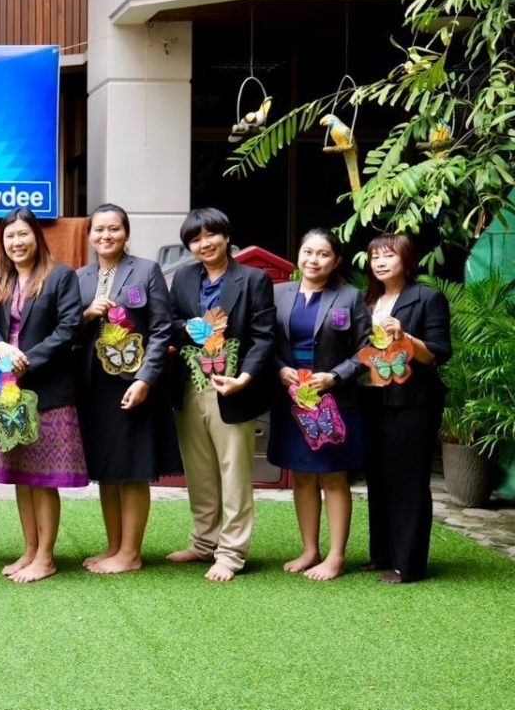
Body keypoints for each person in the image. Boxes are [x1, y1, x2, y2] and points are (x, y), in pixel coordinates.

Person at [166, 207, 274, 582]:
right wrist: (190, 327)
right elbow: (169, 324)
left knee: (234, 472)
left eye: (211, 235)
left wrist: (244, 378)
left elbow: (264, 337)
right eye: (195, 239)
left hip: (233, 387)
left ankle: (231, 552)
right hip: (190, 384)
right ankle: (203, 542)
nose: (204, 244)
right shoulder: (182, 278)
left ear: (226, 236)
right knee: (199, 471)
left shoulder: (253, 279)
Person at [74, 203, 181, 575]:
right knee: (107, 468)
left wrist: (145, 379)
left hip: (133, 384)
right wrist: (86, 314)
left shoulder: (146, 270)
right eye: (99, 230)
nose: (106, 236)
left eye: (114, 229)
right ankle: (114, 546)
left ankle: (131, 553)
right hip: (94, 387)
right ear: (89, 236)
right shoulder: (79, 278)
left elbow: (162, 329)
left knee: (133, 468)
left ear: (126, 233)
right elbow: (69, 331)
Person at [0, 208, 85, 583]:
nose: (17, 242)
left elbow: (69, 327)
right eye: (10, 237)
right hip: (8, 389)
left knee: (42, 477)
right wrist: (1, 348)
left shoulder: (60, 276)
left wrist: (29, 359)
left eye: (23, 235)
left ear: (36, 237)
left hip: (49, 390)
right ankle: (28, 549)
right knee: (21, 475)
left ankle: (46, 556)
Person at [267, 229, 370, 581]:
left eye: (323, 254)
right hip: (293, 399)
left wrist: (335, 377)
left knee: (333, 475)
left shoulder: (350, 298)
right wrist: (281, 371)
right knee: (302, 475)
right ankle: (310, 549)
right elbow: (264, 342)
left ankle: (336, 555)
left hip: (335, 401)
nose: (314, 260)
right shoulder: (278, 293)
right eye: (307, 251)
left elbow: (365, 351)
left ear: (336, 260)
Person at [361, 233, 451, 584]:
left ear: (407, 260)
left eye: (388, 256)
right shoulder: (368, 300)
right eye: (374, 257)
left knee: (408, 481)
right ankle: (381, 554)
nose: (380, 262)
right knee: (377, 477)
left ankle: (408, 565)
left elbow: (438, 353)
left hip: (413, 402)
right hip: (371, 398)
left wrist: (406, 337)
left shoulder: (427, 297)